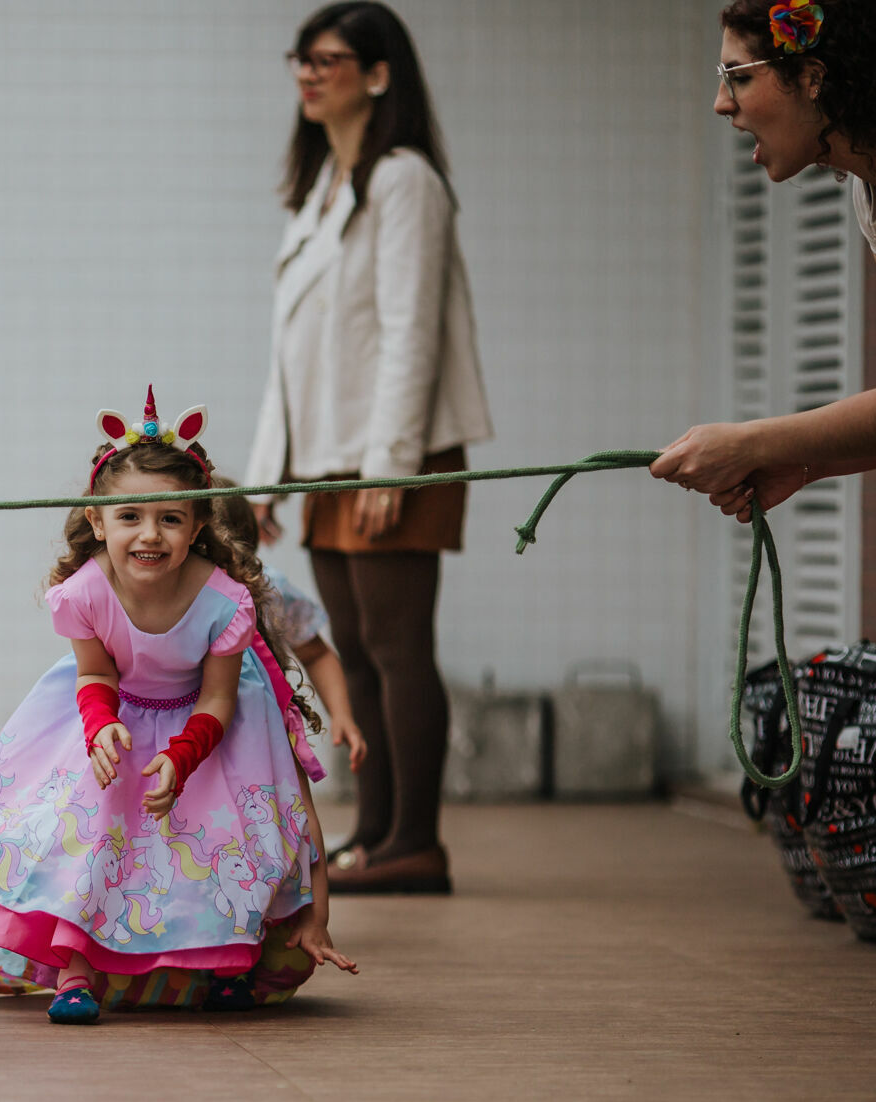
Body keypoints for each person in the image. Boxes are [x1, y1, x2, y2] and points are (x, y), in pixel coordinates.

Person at [649, 0, 876, 1030]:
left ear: (813, 74)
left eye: (738, 77)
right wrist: (798, 461)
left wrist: (762, 439)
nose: (722, 106)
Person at [0, 390, 356, 1025]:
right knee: (90, 831)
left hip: (204, 728)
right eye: (129, 515)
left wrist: (183, 757)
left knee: (218, 841)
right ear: (98, 521)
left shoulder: (225, 602)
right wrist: (101, 725)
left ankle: (218, 968)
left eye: (170, 518)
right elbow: (95, 671)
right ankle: (75, 971)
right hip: (114, 716)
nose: (150, 534)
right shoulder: (84, 592)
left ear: (198, 524)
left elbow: (219, 694)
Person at [243, 1, 493, 895]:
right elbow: (292, 355)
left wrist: (393, 465)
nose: (308, 74)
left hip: (392, 455)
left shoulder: (404, 179)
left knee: (395, 644)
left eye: (330, 59)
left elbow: (409, 331)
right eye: (301, 58)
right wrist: (266, 481)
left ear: (379, 75)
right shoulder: (322, 190)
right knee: (350, 644)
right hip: (328, 459)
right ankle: (376, 833)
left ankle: (415, 843)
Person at [212, 481, 368, 773]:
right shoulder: (169, 595)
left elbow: (316, 653)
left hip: (260, 737)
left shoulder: (269, 590)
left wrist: (341, 715)